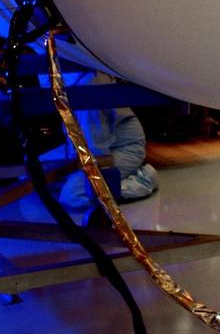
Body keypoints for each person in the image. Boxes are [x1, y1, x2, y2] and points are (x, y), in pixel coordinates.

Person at [58, 70, 159, 224]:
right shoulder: (77, 81)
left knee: (72, 196)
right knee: (37, 175)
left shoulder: (89, 84)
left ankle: (145, 179)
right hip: (100, 147)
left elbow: (98, 147)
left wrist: (89, 176)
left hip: (125, 148)